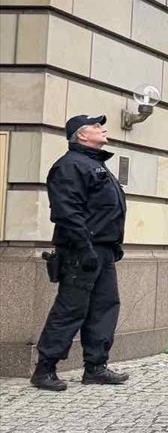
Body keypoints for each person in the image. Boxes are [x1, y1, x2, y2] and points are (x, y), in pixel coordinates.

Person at [32, 115, 129, 390]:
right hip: (80, 250)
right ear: (81, 135)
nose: (103, 129)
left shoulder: (94, 164)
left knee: (104, 307)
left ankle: (96, 367)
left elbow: (103, 211)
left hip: (102, 250)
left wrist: (113, 244)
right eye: (97, 126)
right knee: (70, 309)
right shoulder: (70, 165)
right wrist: (85, 247)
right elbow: (67, 212)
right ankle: (44, 369)